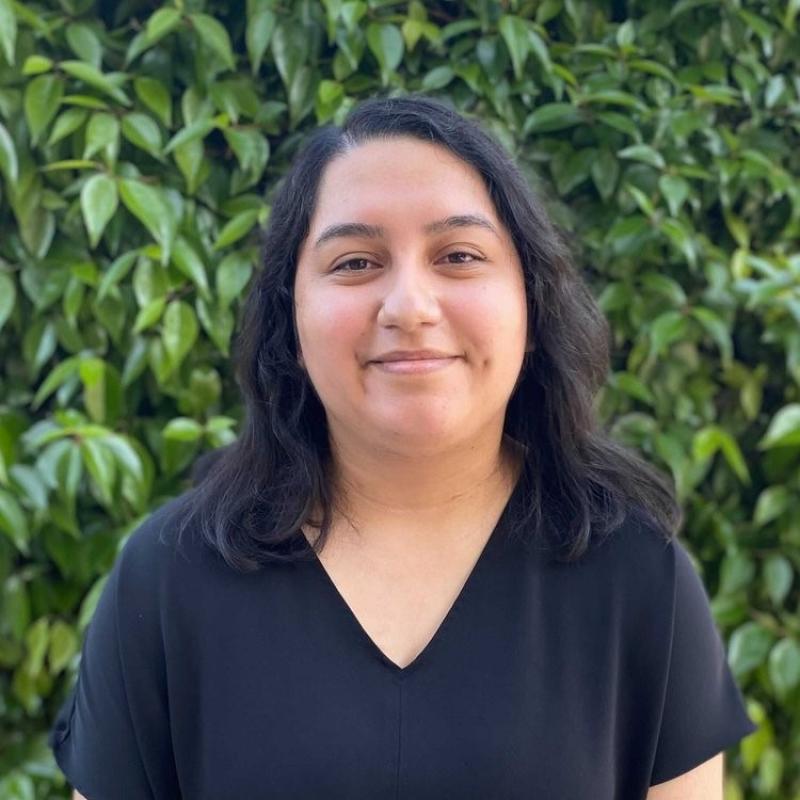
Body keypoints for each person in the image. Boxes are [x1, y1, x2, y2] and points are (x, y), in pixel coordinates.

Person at [49, 94, 756, 800]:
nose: (410, 307)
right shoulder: (168, 583)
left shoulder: (637, 578)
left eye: (458, 255)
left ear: (532, 308)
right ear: (289, 321)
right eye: (355, 263)